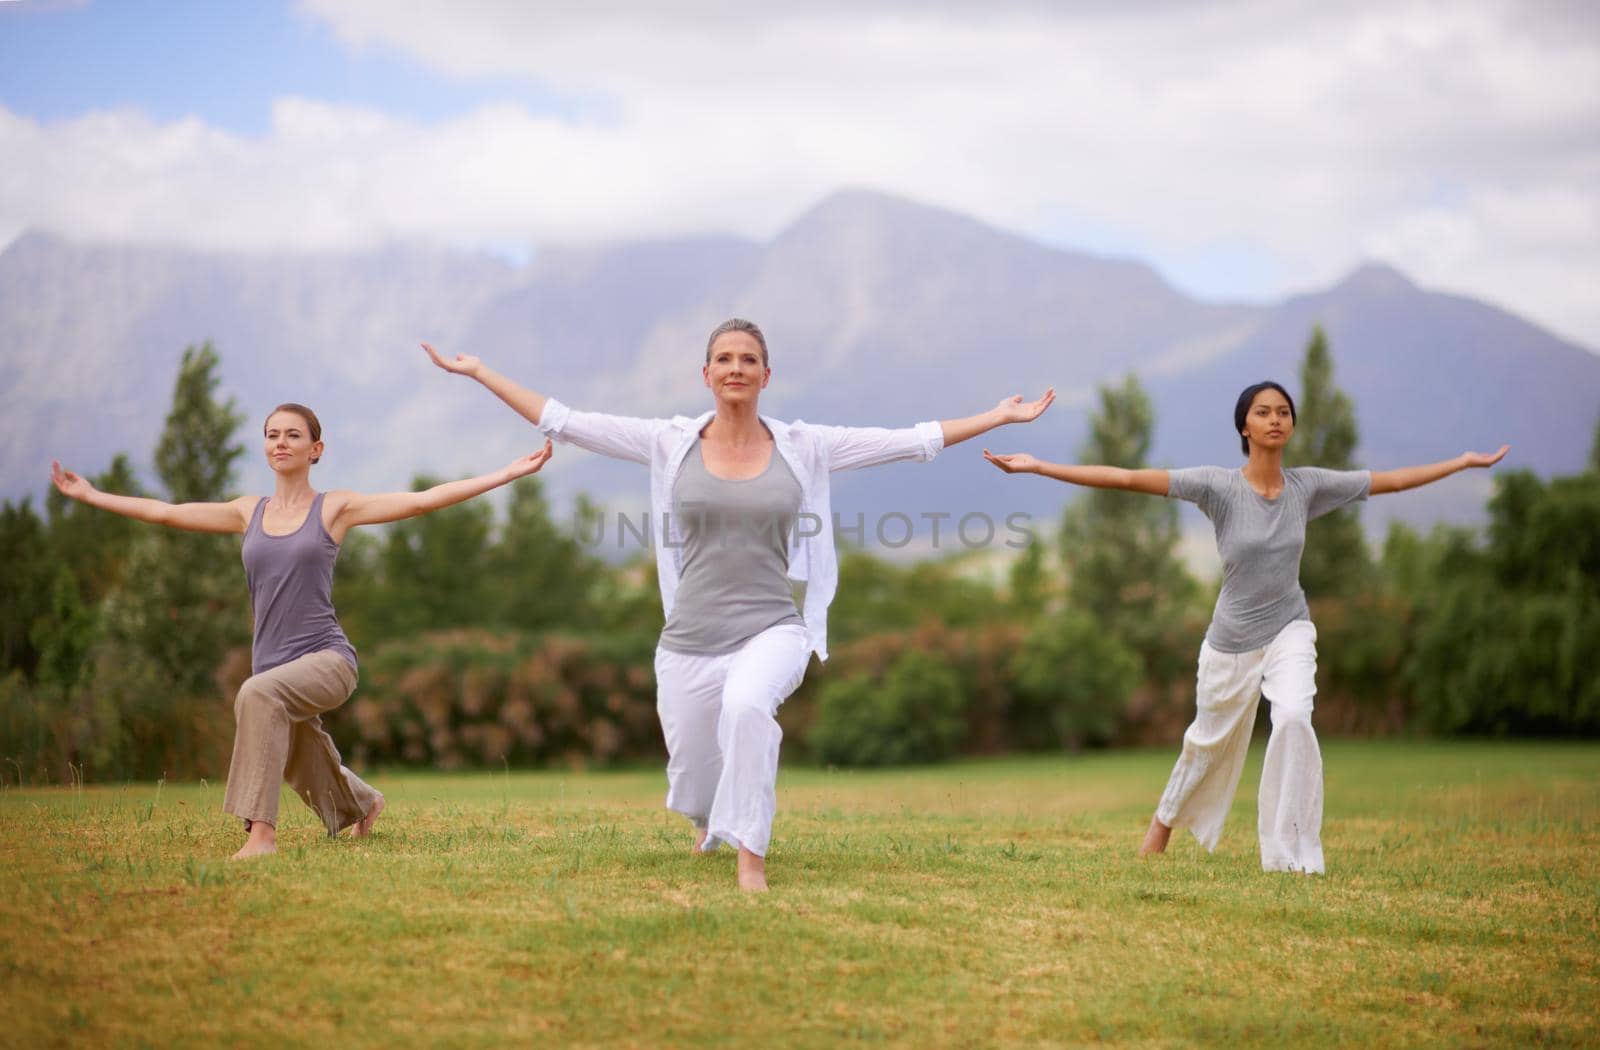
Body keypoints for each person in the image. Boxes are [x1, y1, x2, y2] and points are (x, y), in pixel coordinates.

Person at [424, 319, 1054, 890]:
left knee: (749, 706)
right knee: (694, 780)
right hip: (689, 639)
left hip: (772, 627)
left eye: (748, 359)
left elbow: (910, 441)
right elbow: (563, 419)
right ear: (706, 374)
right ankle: (710, 820)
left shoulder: (806, 446)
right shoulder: (668, 442)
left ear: (765, 375)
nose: (735, 368)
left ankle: (751, 854)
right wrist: (481, 373)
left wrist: (997, 416)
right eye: (723, 358)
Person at [984, 379, 1507, 873]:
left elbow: (1388, 482)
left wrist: (1461, 462)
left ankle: (1292, 852)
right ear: (1245, 428)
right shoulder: (1218, 487)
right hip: (1230, 641)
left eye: (1284, 412)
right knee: (1206, 743)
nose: (1276, 419)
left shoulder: (1308, 487)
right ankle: (1161, 826)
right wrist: (1039, 467)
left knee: (1296, 718)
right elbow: (1126, 478)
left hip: (1290, 629)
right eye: (1264, 412)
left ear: (1291, 426)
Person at [51, 403, 554, 860]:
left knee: (257, 696)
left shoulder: (334, 509)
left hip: (328, 660)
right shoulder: (247, 511)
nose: (281, 442)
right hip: (274, 665)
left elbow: (422, 501)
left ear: (316, 450)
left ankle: (261, 836)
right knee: (294, 752)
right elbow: (166, 512)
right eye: (272, 434)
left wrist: (507, 473)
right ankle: (361, 803)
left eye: (293, 435)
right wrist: (91, 494)